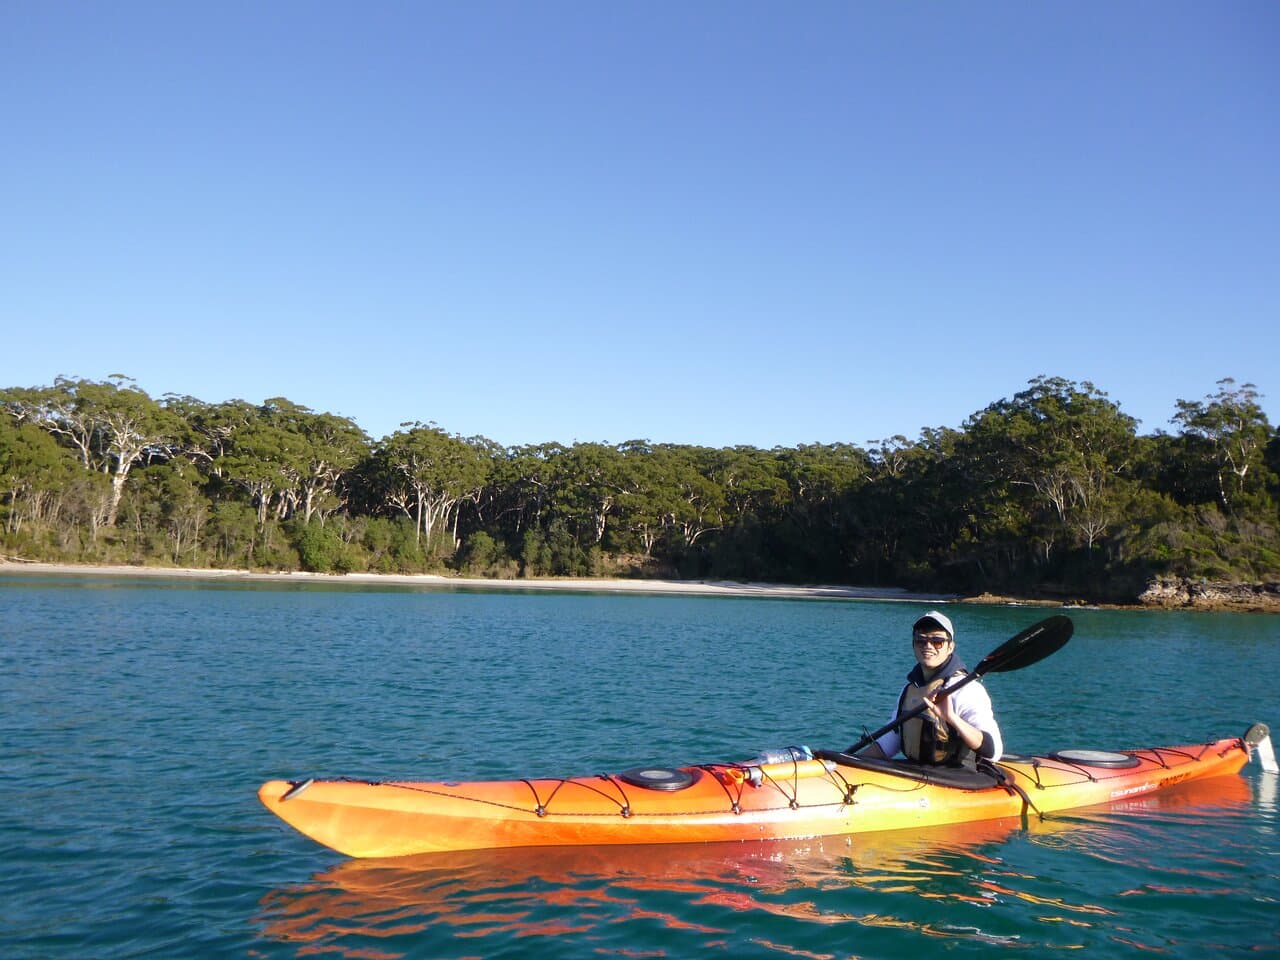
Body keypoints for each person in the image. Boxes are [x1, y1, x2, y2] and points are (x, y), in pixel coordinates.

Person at [859, 611, 1003, 766]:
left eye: (937, 641)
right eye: (920, 640)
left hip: (955, 775)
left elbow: (994, 752)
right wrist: (846, 763)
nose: (928, 646)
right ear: (913, 645)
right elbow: (888, 744)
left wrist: (951, 718)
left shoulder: (967, 690)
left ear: (950, 647)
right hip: (917, 772)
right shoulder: (910, 689)